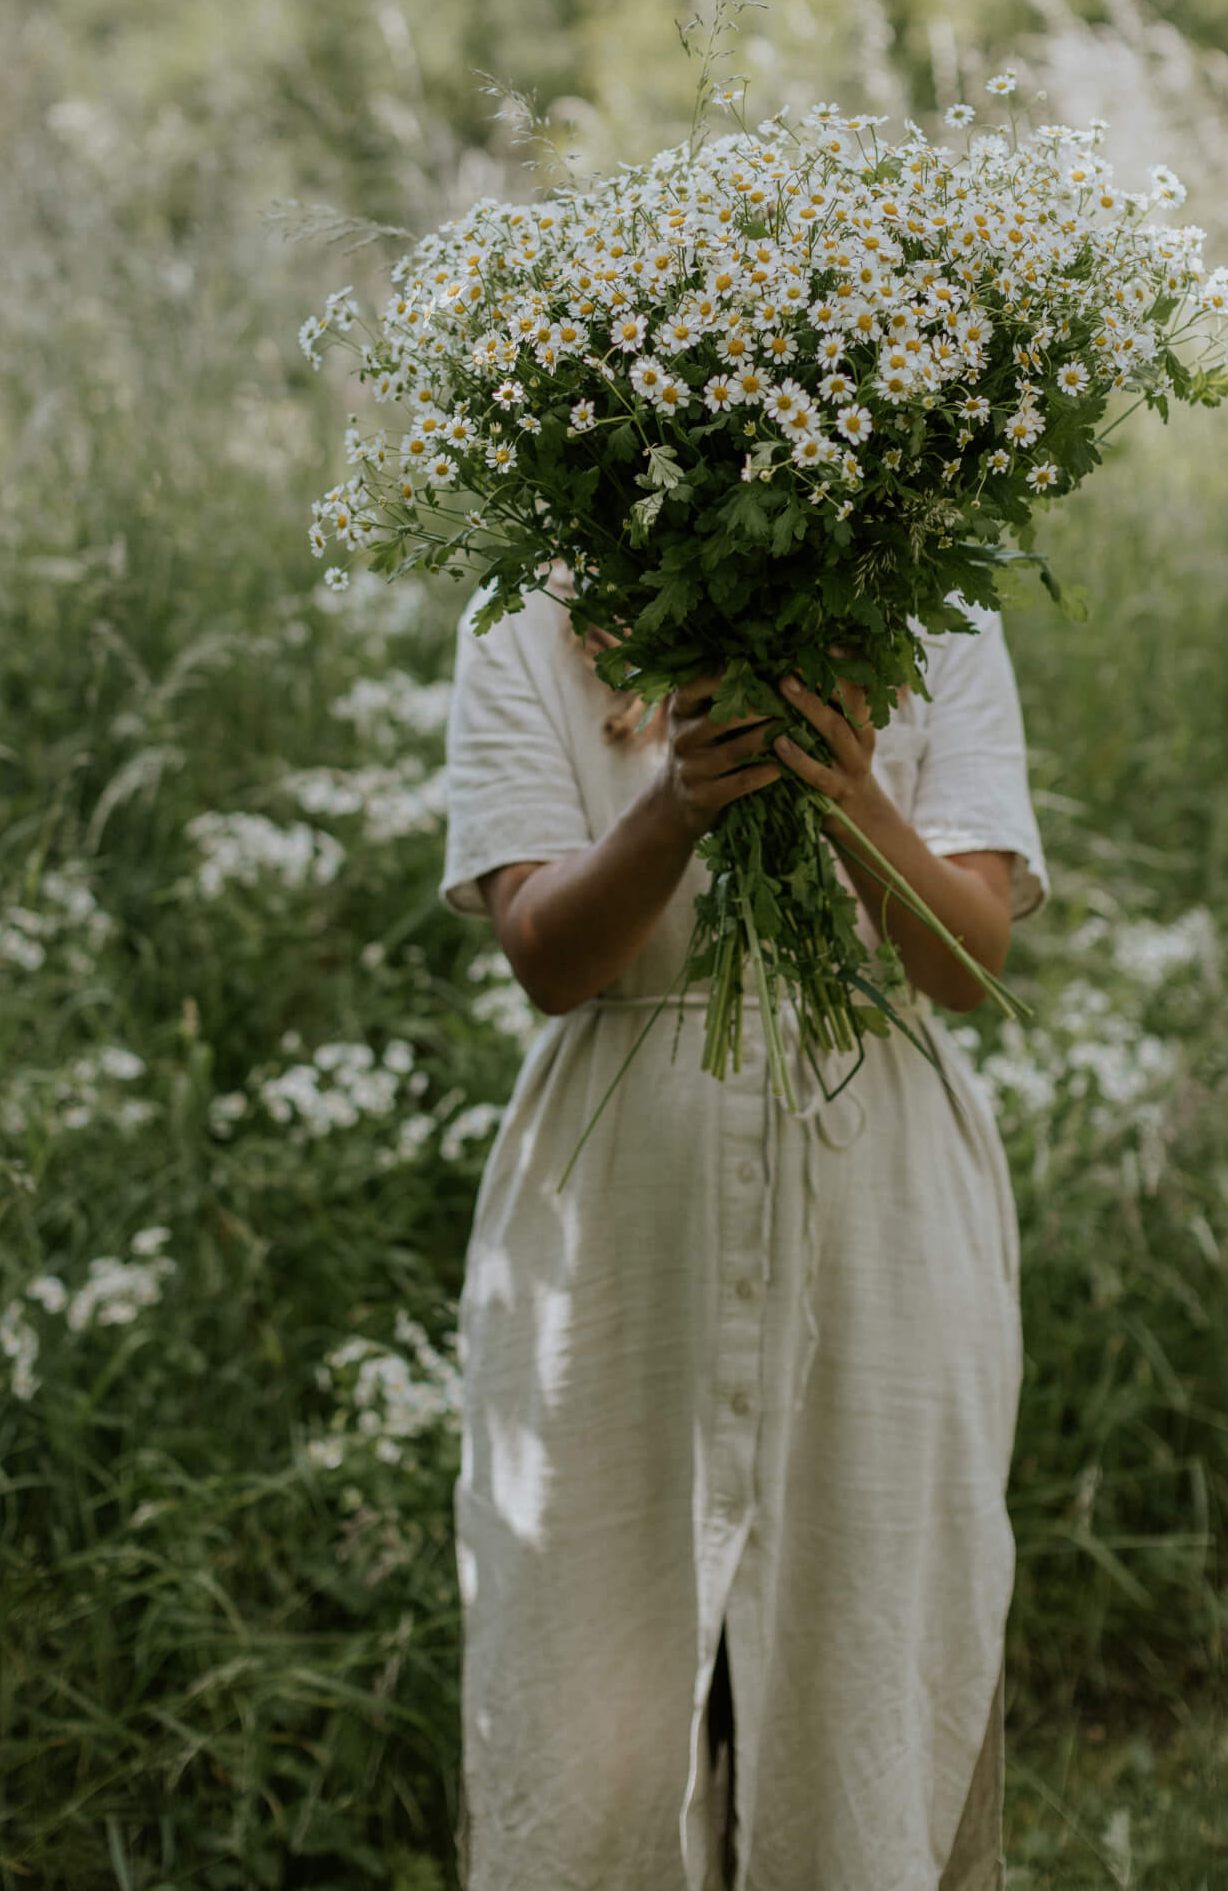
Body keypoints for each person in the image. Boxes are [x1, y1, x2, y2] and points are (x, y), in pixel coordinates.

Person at [439, 566, 1048, 1891]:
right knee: (597, 1670)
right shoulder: (523, 622)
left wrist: (848, 793)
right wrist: (677, 803)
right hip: (616, 1210)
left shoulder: (936, 608)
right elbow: (546, 954)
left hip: (876, 1193)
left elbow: (966, 959)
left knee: (859, 1652)